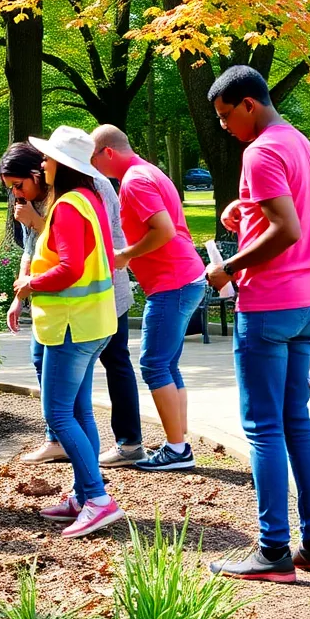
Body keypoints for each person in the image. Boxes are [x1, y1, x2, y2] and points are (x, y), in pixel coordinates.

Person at [205, 66, 310, 583]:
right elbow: (290, 212)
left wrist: (227, 267)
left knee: (263, 428)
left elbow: (286, 229)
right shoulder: (299, 142)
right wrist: (246, 209)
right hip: (308, 301)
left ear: (247, 104)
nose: (223, 127)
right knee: (296, 421)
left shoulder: (259, 150)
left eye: (224, 117)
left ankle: (272, 550)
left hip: (268, 305)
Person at [12, 126, 125, 538]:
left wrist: (29, 284)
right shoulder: (88, 199)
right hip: (90, 322)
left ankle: (97, 499)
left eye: (47, 158)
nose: (42, 164)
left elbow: (70, 268)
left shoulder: (68, 207)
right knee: (78, 411)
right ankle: (83, 494)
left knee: (57, 413)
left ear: (63, 164)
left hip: (71, 327)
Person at [0, 143, 143, 467]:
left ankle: (107, 473)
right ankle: (84, 487)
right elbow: (36, 251)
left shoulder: (75, 199)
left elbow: (75, 260)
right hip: (66, 314)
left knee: (68, 407)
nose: (15, 193)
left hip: (82, 313)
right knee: (73, 406)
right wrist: (20, 295)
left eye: (18, 185)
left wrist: (32, 280)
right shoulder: (67, 196)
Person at [92, 125, 206, 471]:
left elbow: (164, 229)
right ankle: (179, 440)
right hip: (186, 278)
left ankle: (177, 450)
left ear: (107, 152)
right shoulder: (149, 171)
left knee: (153, 365)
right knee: (167, 364)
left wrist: (126, 254)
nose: (93, 167)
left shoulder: (134, 181)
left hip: (172, 283)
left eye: (93, 158)